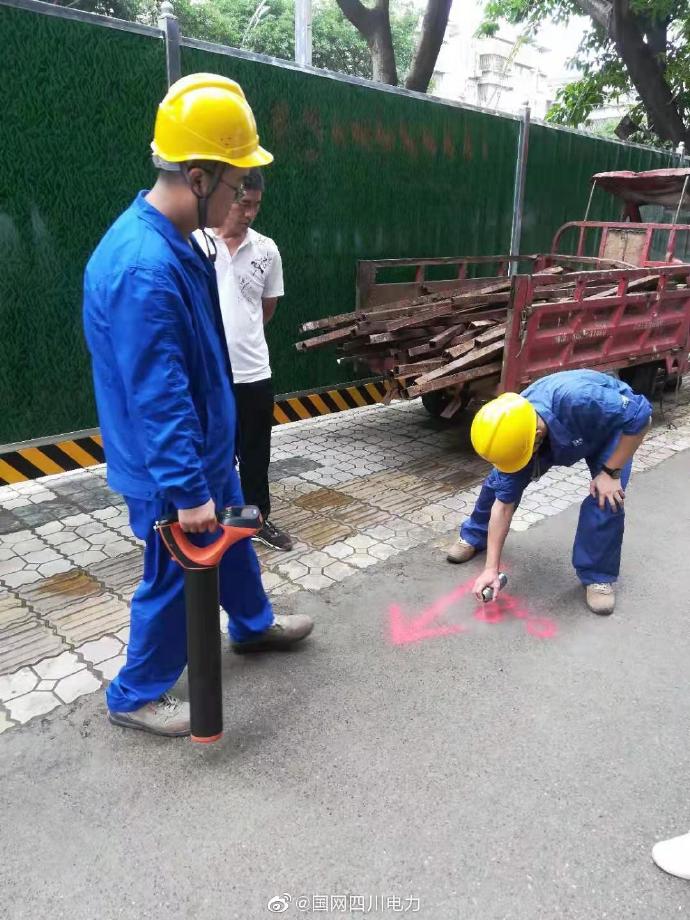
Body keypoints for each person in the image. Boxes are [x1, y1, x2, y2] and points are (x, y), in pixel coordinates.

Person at [82, 73, 313, 738]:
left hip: (203, 451)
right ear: (198, 175)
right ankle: (136, 694)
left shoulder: (177, 240)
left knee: (233, 540)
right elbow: (159, 396)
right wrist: (187, 492)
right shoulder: (145, 268)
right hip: (171, 468)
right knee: (175, 576)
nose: (244, 197)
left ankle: (252, 624)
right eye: (237, 183)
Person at [446, 369, 652, 615]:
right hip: (552, 435)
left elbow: (642, 416)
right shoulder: (514, 430)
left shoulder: (582, 398)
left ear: (536, 437)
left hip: (607, 430)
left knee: (607, 498)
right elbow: (503, 506)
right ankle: (474, 535)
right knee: (499, 484)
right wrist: (491, 569)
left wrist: (611, 471)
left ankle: (597, 576)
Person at [193, 168, 292, 551]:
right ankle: (210, 520)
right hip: (208, 373)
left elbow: (267, 308)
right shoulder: (197, 243)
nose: (249, 213)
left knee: (255, 452)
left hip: (253, 370)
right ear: (224, 197)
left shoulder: (266, 249)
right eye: (243, 203)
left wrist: (241, 336)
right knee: (212, 451)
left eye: (256, 205)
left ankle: (256, 520)